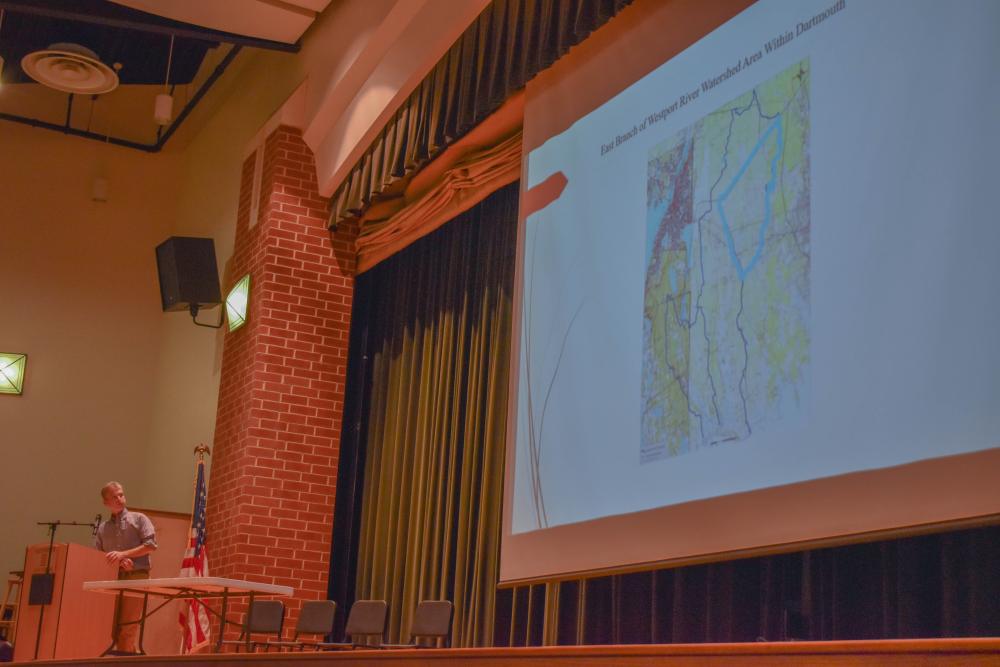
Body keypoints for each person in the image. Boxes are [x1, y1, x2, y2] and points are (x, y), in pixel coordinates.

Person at [94, 481, 157, 655]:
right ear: (106, 502)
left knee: (128, 629)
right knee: (111, 629)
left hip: (136, 577)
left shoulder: (139, 519)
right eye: (114, 497)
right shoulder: (103, 528)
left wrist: (124, 555)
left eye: (121, 495)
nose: (119, 499)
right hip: (112, 579)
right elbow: (98, 556)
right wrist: (117, 563)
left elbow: (151, 545)